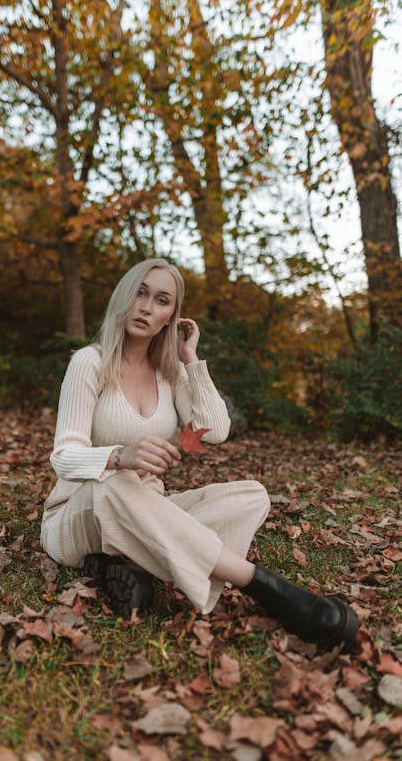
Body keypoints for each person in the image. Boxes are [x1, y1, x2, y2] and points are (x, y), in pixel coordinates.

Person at [41, 259, 359, 651]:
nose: (146, 307)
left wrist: (191, 360)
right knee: (115, 486)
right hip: (80, 510)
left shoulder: (168, 372)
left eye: (161, 301)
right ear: (123, 296)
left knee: (251, 495)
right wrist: (120, 456)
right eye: (139, 293)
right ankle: (264, 586)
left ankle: (127, 562)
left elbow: (216, 430)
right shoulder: (89, 362)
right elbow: (63, 455)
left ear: (171, 317)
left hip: (149, 509)